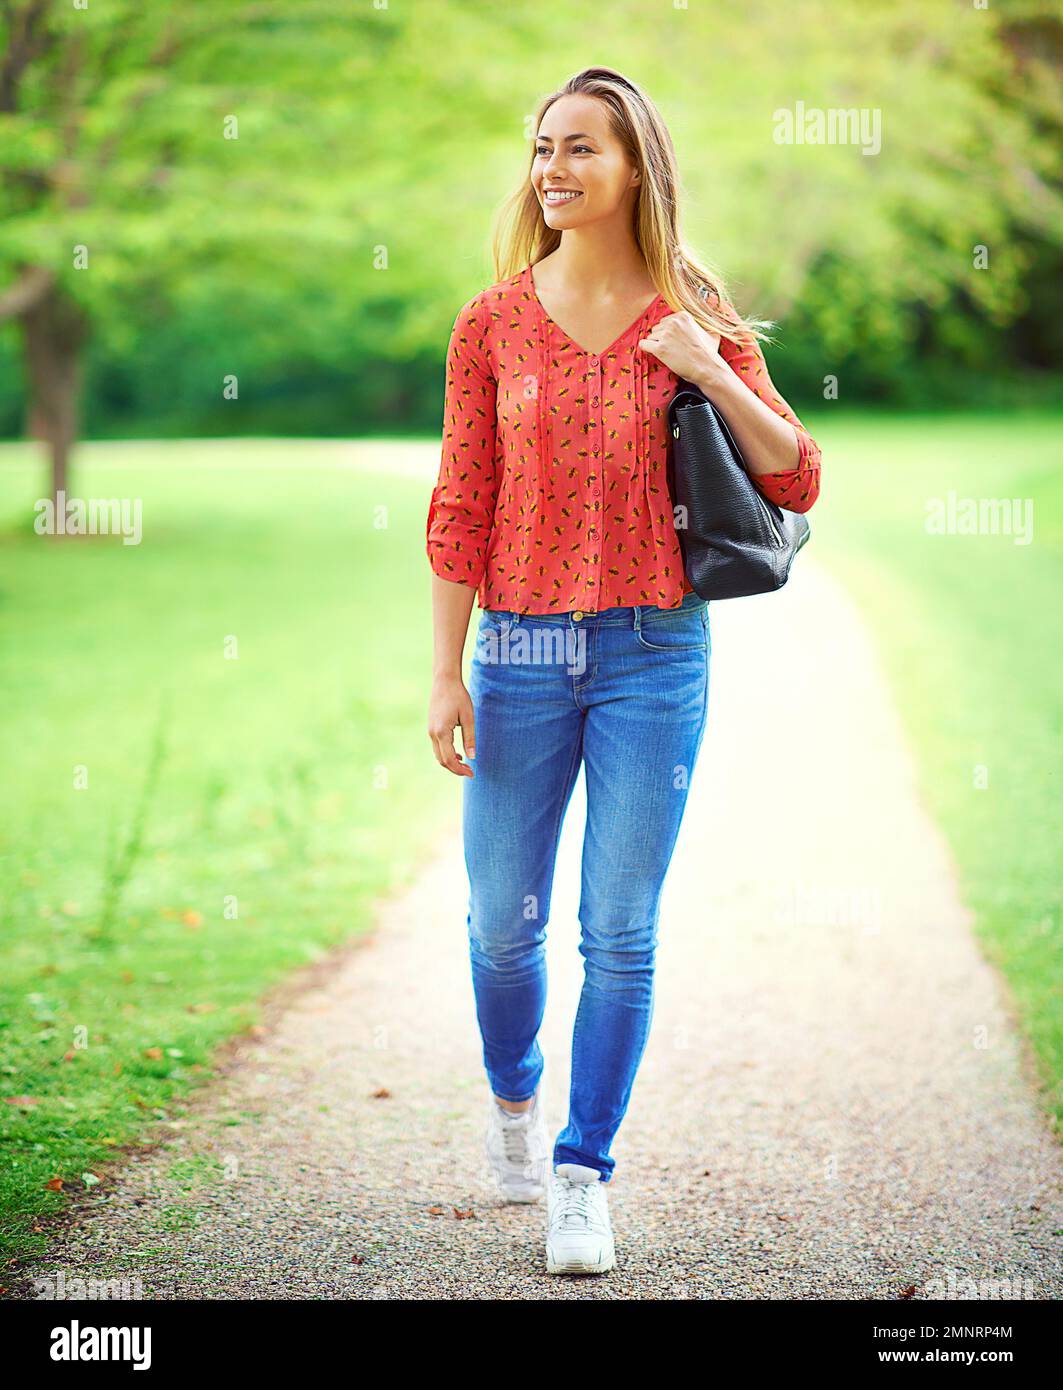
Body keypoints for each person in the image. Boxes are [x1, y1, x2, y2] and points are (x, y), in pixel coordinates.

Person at [426, 66, 821, 1276]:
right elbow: (460, 503)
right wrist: (446, 673)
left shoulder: (693, 307)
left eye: (581, 148)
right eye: (543, 149)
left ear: (636, 165)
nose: (554, 168)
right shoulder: (492, 323)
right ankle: (513, 1101)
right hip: (523, 651)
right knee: (501, 928)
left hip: (655, 651)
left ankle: (582, 1171)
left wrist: (705, 365)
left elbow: (795, 474)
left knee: (621, 932)